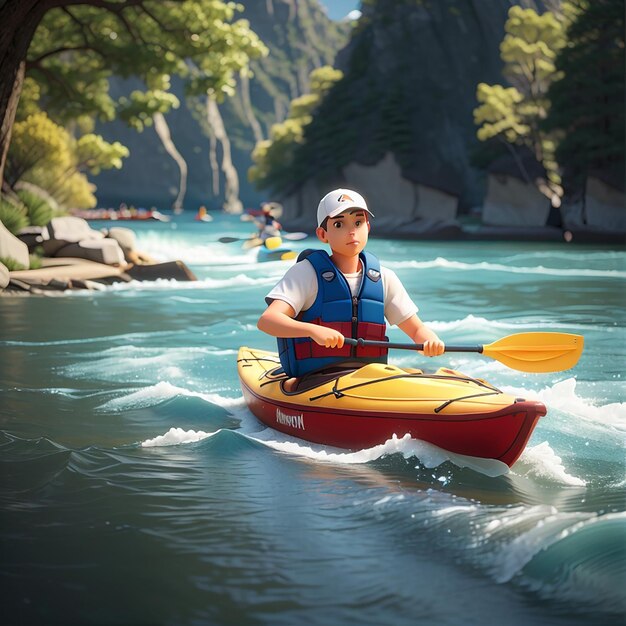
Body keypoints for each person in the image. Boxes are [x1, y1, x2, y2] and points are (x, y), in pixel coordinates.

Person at [257, 188, 445, 391]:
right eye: (339, 224)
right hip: (317, 380)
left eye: (358, 222)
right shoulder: (306, 273)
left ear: (368, 227)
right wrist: (313, 331)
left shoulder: (384, 278)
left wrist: (429, 340)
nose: (352, 231)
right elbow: (268, 321)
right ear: (323, 234)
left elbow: (416, 329)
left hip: (371, 378)